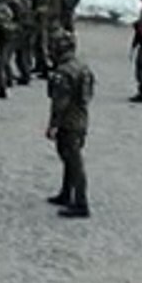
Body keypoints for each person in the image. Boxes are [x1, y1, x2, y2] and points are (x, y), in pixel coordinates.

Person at [45, 31, 94, 218]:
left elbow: (60, 102)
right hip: (80, 118)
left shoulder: (63, 71)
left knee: (73, 161)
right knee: (70, 158)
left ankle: (80, 203)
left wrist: (53, 124)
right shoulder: (81, 66)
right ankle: (66, 193)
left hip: (69, 121)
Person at [5, 0, 34, 85]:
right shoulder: (27, 0)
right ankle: (26, 75)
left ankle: (7, 79)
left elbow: (10, 16)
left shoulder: (11, 2)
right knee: (23, 54)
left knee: (7, 56)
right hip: (29, 27)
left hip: (18, 29)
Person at [23, 0, 50, 78]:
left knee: (39, 47)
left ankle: (43, 68)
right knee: (35, 47)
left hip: (38, 22)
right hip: (37, 22)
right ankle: (38, 67)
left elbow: (43, 6)